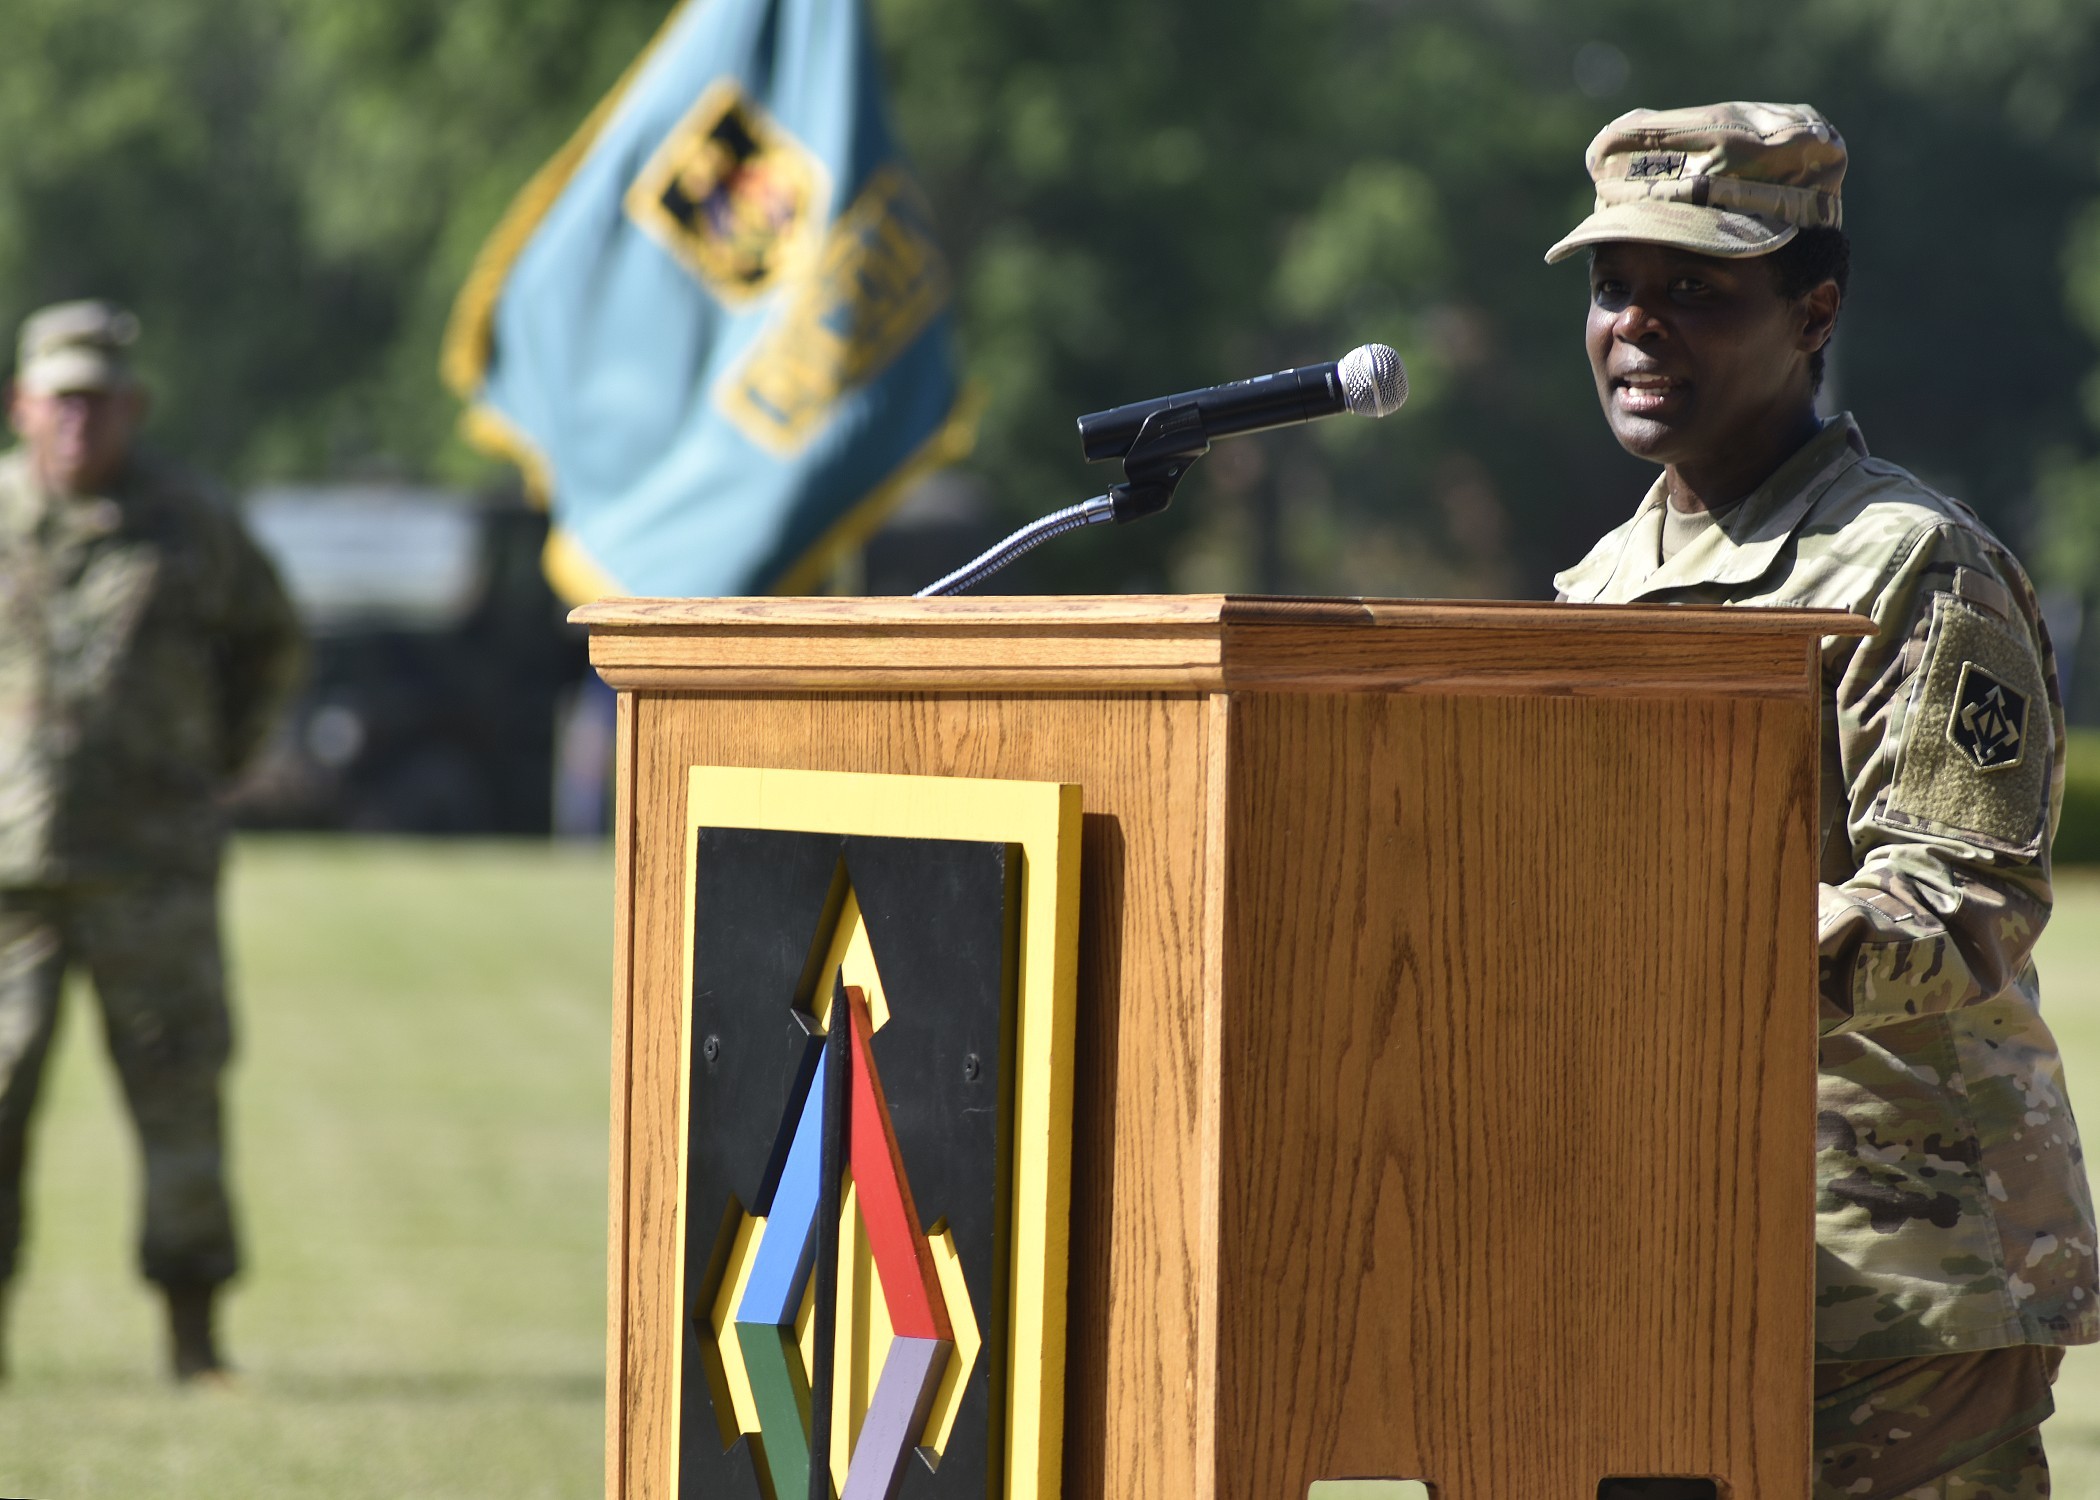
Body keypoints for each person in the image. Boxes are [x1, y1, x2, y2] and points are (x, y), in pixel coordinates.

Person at [1550, 103, 2098, 1500]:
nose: (1639, 326)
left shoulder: (1911, 564)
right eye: (1616, 288)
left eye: (1696, 290)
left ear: (1816, 310)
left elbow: (1964, 897)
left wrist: (1684, 954)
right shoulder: (1590, 591)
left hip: (1897, 1279)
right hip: (1663, 1248)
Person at [0, 300, 303, 1381]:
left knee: (181, 1106)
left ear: (133, 407)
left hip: (153, 871)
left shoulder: (192, 522)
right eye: (60, 399)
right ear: (21, 404)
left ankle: (194, 1336)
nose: (79, 421)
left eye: (98, 400)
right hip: (11, 879)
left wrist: (216, 761)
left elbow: (271, 641)